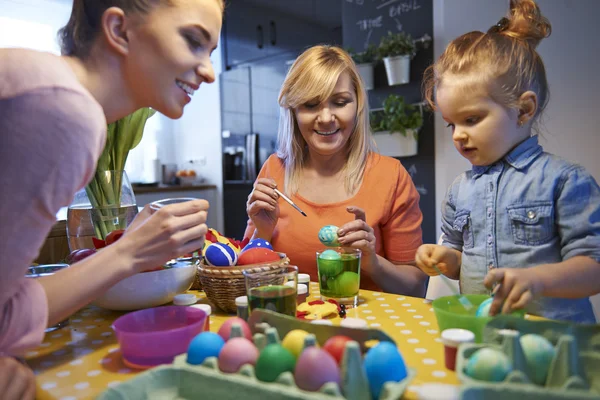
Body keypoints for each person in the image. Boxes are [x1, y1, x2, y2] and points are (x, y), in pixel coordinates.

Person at [0, 0, 223, 397]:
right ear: (119, 30)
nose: (208, 71)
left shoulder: (47, 86)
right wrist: (130, 252)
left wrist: (130, 250)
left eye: (212, 52)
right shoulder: (65, 112)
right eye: (192, 41)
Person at [416, 0, 600, 323]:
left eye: (471, 119)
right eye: (451, 123)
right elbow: (464, 260)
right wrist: (448, 259)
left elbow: (594, 267)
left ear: (524, 110)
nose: (458, 135)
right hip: (486, 336)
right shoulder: (460, 191)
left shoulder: (564, 181)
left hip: (556, 344)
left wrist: (538, 280)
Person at [245, 45, 428, 297]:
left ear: (357, 104)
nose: (326, 117)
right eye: (310, 105)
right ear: (294, 110)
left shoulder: (391, 176)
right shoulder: (273, 170)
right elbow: (243, 274)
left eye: (340, 102)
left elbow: (416, 287)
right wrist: (262, 232)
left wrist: (372, 263)